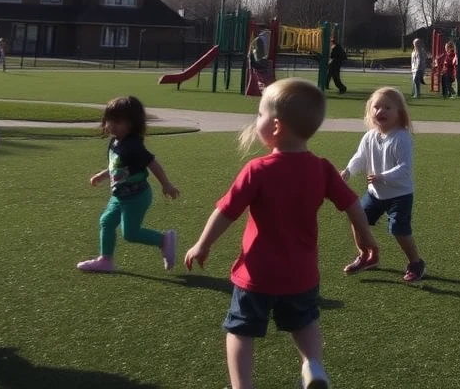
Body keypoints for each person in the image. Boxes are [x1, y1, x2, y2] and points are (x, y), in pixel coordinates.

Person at [185, 79, 377, 389]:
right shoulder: (322, 168)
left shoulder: (257, 170)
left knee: (241, 331)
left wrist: (202, 243)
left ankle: (241, 386)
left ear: (275, 126)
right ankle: (313, 365)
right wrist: (365, 237)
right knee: (305, 324)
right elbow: (352, 203)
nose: (255, 119)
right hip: (301, 273)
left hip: (256, 274)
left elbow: (226, 212)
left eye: (259, 114)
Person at [76, 95, 180, 273]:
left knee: (130, 234)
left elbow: (152, 163)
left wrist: (166, 184)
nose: (111, 125)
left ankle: (163, 240)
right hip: (119, 196)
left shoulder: (134, 146)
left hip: (136, 197)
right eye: (109, 120)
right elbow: (117, 166)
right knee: (106, 221)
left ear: (131, 124)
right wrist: (102, 175)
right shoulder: (115, 142)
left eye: (118, 122)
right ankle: (105, 260)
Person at [340, 87, 426, 283]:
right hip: (375, 193)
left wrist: (382, 176)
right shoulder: (370, 136)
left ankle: (415, 263)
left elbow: (405, 169)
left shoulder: (401, 138)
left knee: (399, 229)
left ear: (399, 113)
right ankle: (366, 255)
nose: (381, 111)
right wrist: (347, 172)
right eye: (376, 107)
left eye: (388, 107)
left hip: (399, 194)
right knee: (358, 219)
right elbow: (360, 157)